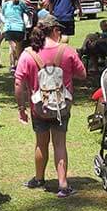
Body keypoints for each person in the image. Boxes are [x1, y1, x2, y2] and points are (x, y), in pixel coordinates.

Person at [15, 16, 87, 198]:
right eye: (59, 30)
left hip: (38, 107)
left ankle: (39, 178)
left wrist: (21, 108)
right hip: (62, 106)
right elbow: (83, 74)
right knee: (60, 144)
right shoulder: (67, 51)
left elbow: (18, 83)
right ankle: (63, 184)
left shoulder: (28, 54)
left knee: (41, 143)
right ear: (54, 31)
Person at [2, 0, 28, 69]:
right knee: (18, 48)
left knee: (12, 47)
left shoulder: (5, 5)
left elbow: (4, 14)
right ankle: (20, 65)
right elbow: (27, 11)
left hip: (9, 28)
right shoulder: (21, 3)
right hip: (19, 28)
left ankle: (13, 65)